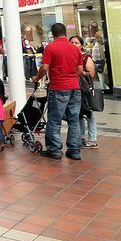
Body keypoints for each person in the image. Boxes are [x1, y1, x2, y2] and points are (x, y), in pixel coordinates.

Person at [32, 22, 84, 160]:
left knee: (54, 120)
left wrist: (36, 78)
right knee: (74, 120)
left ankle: (54, 150)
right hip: (75, 87)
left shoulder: (51, 47)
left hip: (59, 87)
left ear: (53, 34)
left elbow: (44, 68)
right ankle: (74, 151)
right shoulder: (75, 49)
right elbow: (79, 71)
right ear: (65, 33)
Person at [71, 35, 98, 149]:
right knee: (77, 114)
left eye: (76, 43)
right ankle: (80, 137)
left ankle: (92, 139)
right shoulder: (69, 56)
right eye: (71, 42)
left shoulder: (86, 57)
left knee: (89, 113)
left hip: (85, 90)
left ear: (81, 45)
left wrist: (80, 72)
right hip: (73, 88)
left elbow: (91, 74)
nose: (73, 45)